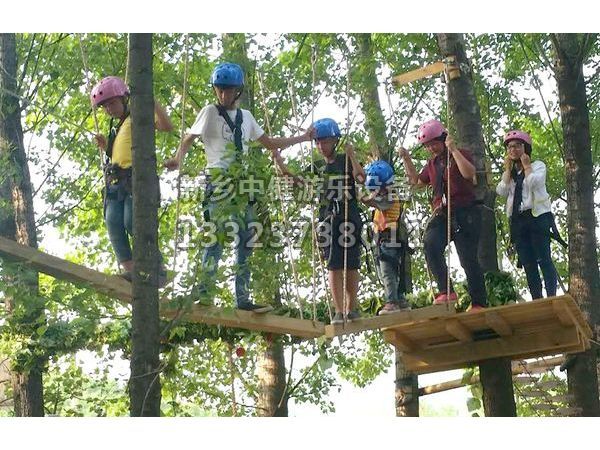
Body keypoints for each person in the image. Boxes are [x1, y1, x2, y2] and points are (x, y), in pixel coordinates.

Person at [164, 62, 312, 313]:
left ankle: (242, 298)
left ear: (237, 91)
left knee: (246, 237)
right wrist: (178, 159)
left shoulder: (247, 118)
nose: (223, 95)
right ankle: (205, 292)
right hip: (219, 179)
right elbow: (189, 138)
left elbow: (269, 143)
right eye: (220, 90)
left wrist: (302, 138)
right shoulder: (210, 112)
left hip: (242, 183)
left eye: (229, 90)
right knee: (217, 234)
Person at [274, 118, 365, 324]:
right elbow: (297, 182)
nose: (321, 146)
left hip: (349, 214)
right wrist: (281, 164)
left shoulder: (345, 160)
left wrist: (352, 156)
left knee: (351, 263)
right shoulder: (316, 167)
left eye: (324, 141)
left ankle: (352, 308)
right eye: (318, 142)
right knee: (333, 264)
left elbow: (361, 178)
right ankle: (339, 311)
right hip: (327, 218)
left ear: (335, 141)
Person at [91, 76, 173, 285]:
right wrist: (106, 146)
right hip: (116, 182)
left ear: (124, 99)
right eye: (105, 106)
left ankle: (158, 267)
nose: (109, 109)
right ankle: (132, 270)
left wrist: (151, 101)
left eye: (112, 103)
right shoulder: (116, 128)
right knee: (113, 222)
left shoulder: (137, 117)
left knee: (132, 221)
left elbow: (166, 126)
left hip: (135, 179)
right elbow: (118, 154)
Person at [399, 119, 487, 311]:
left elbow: (469, 173)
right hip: (442, 214)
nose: (431, 148)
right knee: (430, 243)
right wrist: (407, 159)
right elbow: (416, 181)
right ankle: (446, 290)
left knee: (467, 259)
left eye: (434, 144)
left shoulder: (459, 154)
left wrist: (453, 150)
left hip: (464, 211)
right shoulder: (432, 164)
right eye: (428, 145)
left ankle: (478, 302)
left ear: (443, 139)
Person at [496, 129, 560, 299]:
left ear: (526, 148)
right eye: (510, 147)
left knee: (543, 258)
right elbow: (501, 191)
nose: (513, 150)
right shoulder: (511, 174)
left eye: (517, 146)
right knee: (528, 263)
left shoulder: (537, 166)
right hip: (519, 220)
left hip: (537, 217)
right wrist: (507, 171)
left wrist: (527, 167)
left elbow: (534, 183)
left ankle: (552, 296)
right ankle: (536, 298)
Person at [361, 159, 411, 315]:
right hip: (387, 240)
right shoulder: (388, 195)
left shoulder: (389, 197)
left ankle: (392, 302)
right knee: (393, 271)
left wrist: (360, 194)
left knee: (387, 271)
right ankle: (400, 300)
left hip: (389, 240)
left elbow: (368, 201)